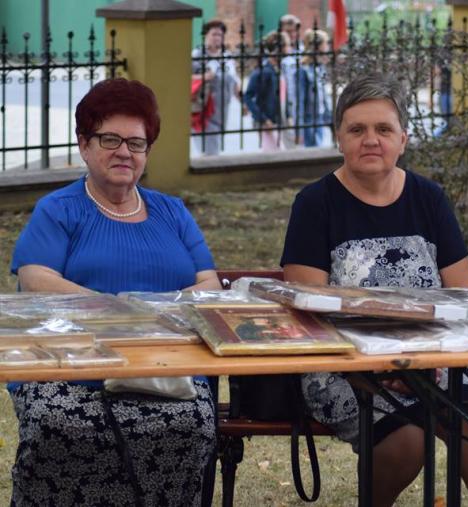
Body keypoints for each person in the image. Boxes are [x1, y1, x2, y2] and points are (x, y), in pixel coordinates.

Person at [281, 73, 468, 507]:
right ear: (339, 138)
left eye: (383, 129)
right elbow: (308, 309)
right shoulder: (315, 203)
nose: (371, 140)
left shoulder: (429, 198)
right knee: (406, 444)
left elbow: (466, 295)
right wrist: (382, 367)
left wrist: (427, 360)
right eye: (357, 129)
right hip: (346, 367)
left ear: (403, 139)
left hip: (435, 359)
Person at [10, 78, 222, 505]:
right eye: (110, 139)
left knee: (191, 422)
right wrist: (120, 311)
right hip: (73, 369)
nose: (124, 152)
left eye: (136, 143)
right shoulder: (60, 209)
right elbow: (36, 278)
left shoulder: (172, 212)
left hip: (166, 371)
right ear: (84, 145)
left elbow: (209, 284)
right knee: (62, 423)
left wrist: (156, 315)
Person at [191, 19, 241, 156]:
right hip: (203, 109)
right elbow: (183, 79)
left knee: (213, 148)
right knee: (210, 152)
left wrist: (242, 101)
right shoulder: (197, 55)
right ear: (206, 35)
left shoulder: (227, 57)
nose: (217, 38)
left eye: (220, 35)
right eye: (214, 34)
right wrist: (204, 76)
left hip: (223, 110)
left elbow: (234, 81)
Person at [244, 30, 289, 151]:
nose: (289, 49)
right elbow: (248, 96)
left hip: (279, 120)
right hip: (268, 122)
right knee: (275, 154)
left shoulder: (279, 69)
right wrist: (263, 119)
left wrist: (288, 115)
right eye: (286, 45)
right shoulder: (263, 71)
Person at [297, 29, 332, 147]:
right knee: (312, 149)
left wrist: (330, 118)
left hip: (320, 116)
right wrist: (299, 127)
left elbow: (324, 95)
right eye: (325, 43)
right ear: (317, 46)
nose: (327, 47)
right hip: (309, 118)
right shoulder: (304, 70)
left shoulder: (320, 67)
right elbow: (300, 100)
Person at [280, 13, 302, 148]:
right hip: (282, 103)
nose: (292, 34)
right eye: (288, 31)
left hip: (300, 101)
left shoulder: (303, 50)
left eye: (295, 31)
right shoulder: (276, 51)